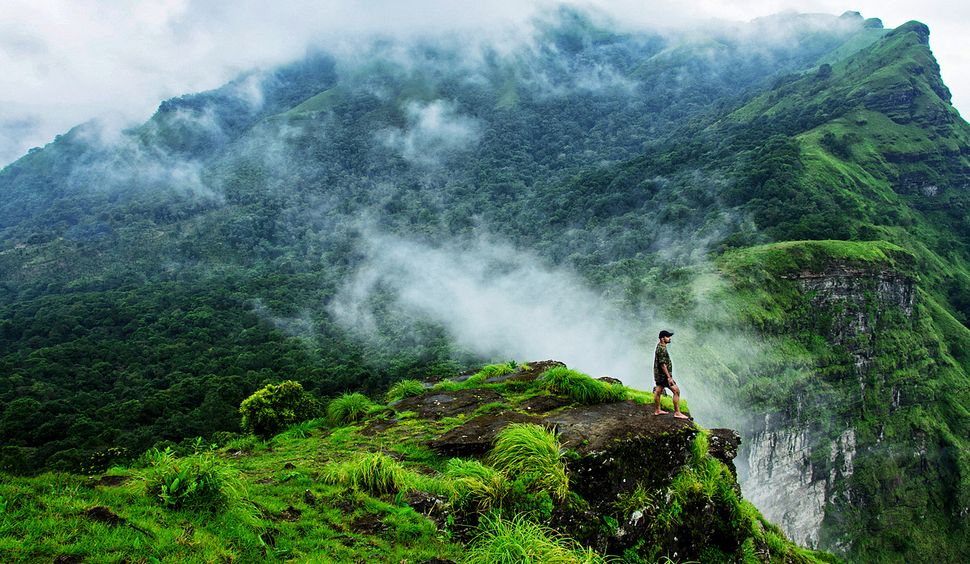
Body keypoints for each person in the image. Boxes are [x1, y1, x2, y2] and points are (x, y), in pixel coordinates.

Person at [654, 330, 689, 419]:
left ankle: (657, 410)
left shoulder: (660, 346)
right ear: (662, 338)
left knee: (658, 391)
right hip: (664, 376)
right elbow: (662, 364)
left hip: (659, 375)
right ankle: (677, 412)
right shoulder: (661, 349)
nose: (669, 338)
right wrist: (669, 377)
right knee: (676, 391)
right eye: (668, 337)